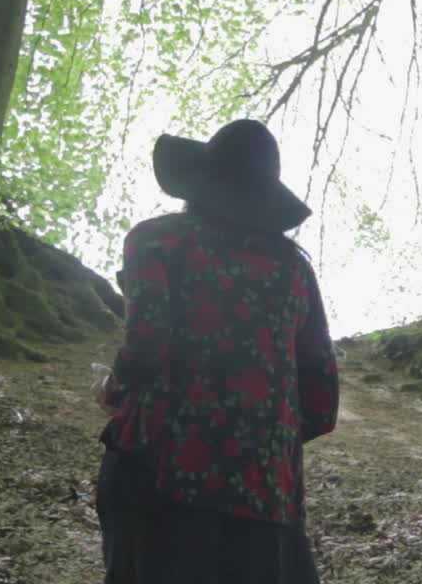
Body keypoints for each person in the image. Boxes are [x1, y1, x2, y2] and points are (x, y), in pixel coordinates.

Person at [94, 119, 339, 583]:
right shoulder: (293, 270)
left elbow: (147, 342)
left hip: (162, 467)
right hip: (267, 492)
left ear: (199, 182)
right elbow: (321, 399)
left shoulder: (157, 240)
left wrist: (113, 389)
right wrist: (258, 443)